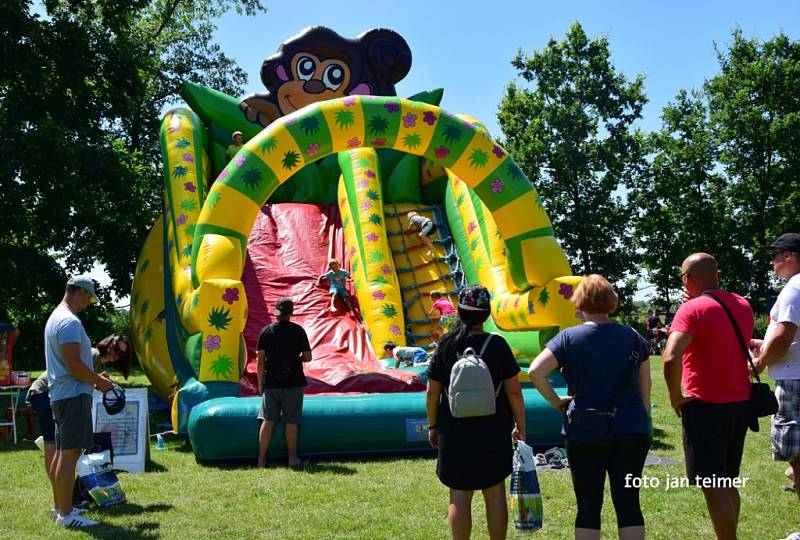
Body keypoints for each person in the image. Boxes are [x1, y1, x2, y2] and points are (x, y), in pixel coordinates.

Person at [528, 274, 651, 540]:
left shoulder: (567, 338)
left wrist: (556, 401)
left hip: (584, 429)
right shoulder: (633, 337)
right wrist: (641, 422)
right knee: (629, 504)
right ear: (611, 301)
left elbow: (536, 372)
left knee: (588, 506)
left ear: (580, 301)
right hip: (631, 429)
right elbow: (645, 391)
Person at [663, 253, 753, 540]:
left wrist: (675, 396)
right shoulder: (743, 304)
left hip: (705, 405)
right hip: (740, 402)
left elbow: (670, 358)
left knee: (713, 482)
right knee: (727, 478)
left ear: (688, 278)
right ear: (717, 274)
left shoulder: (691, 310)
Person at [425, 285, 526, 540]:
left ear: (459, 311)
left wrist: (433, 427)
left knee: (459, 494)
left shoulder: (446, 344)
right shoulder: (498, 345)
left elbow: (432, 392)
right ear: (487, 313)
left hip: (453, 429)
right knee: (494, 493)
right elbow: (514, 392)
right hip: (493, 429)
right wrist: (521, 427)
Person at [27, 333, 130, 521]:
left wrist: (101, 380)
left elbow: (84, 379)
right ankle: (60, 506)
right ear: (107, 343)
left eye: (121, 353)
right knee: (55, 449)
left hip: (46, 394)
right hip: (45, 394)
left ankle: (61, 506)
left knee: (57, 449)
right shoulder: (92, 354)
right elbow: (76, 373)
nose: (116, 354)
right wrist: (100, 382)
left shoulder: (97, 361)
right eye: (116, 348)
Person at [45, 275, 115, 528]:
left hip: (63, 395)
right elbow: (74, 365)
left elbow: (74, 363)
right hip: (73, 395)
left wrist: (95, 377)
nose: (88, 304)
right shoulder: (70, 322)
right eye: (89, 298)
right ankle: (67, 515)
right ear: (81, 292)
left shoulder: (56, 317)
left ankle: (59, 508)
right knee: (70, 455)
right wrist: (100, 381)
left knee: (63, 453)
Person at [751, 233, 800, 508]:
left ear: (788, 256)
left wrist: (759, 362)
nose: (772, 264)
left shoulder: (795, 288)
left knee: (797, 459)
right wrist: (765, 343)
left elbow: (783, 339)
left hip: (793, 380)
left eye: (774, 256)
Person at [256, 298, 312, 468]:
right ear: (291, 313)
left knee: (268, 419)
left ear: (276, 311)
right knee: (291, 421)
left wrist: (261, 384)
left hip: (272, 383)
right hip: (293, 382)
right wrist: (296, 360)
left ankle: (261, 459)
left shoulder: (266, 332)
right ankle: (292, 459)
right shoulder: (298, 331)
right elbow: (308, 357)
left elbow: (260, 362)